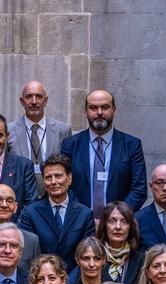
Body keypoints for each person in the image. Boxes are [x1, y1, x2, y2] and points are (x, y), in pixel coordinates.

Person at [60, 89, 147, 219]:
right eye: (93, 108)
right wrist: (84, 217)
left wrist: (116, 216)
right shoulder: (70, 145)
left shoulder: (131, 145)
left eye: (105, 107)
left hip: (119, 225)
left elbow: (139, 189)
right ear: (86, 112)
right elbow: (65, 186)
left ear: (114, 110)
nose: (99, 112)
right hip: (79, 222)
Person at [17, 153, 96, 266]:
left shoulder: (85, 214)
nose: (53, 182)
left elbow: (88, 256)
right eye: (48, 177)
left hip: (75, 279)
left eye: (58, 176)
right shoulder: (30, 213)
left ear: (69, 179)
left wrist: (69, 282)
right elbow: (27, 254)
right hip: (42, 279)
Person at [8, 81, 71, 195]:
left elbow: (67, 167)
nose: (34, 101)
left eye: (38, 97)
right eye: (28, 97)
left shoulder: (63, 130)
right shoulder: (9, 131)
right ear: (22, 101)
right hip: (20, 198)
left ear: (45, 100)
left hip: (53, 197)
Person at [95, 201, 144, 284]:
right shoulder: (94, 257)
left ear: (130, 227)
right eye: (112, 221)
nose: (118, 227)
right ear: (104, 225)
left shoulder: (141, 260)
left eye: (124, 222)